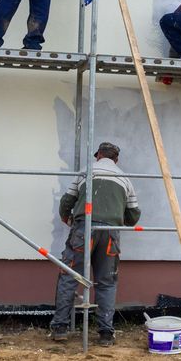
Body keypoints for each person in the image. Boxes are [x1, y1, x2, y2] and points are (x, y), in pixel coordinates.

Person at [49, 142, 141, 346]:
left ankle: (60, 328)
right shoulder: (124, 178)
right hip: (110, 235)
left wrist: (67, 218)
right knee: (107, 282)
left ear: (98, 155)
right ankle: (106, 334)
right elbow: (134, 215)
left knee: (70, 276)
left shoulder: (85, 171)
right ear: (116, 159)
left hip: (84, 230)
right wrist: (116, 220)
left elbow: (67, 202)